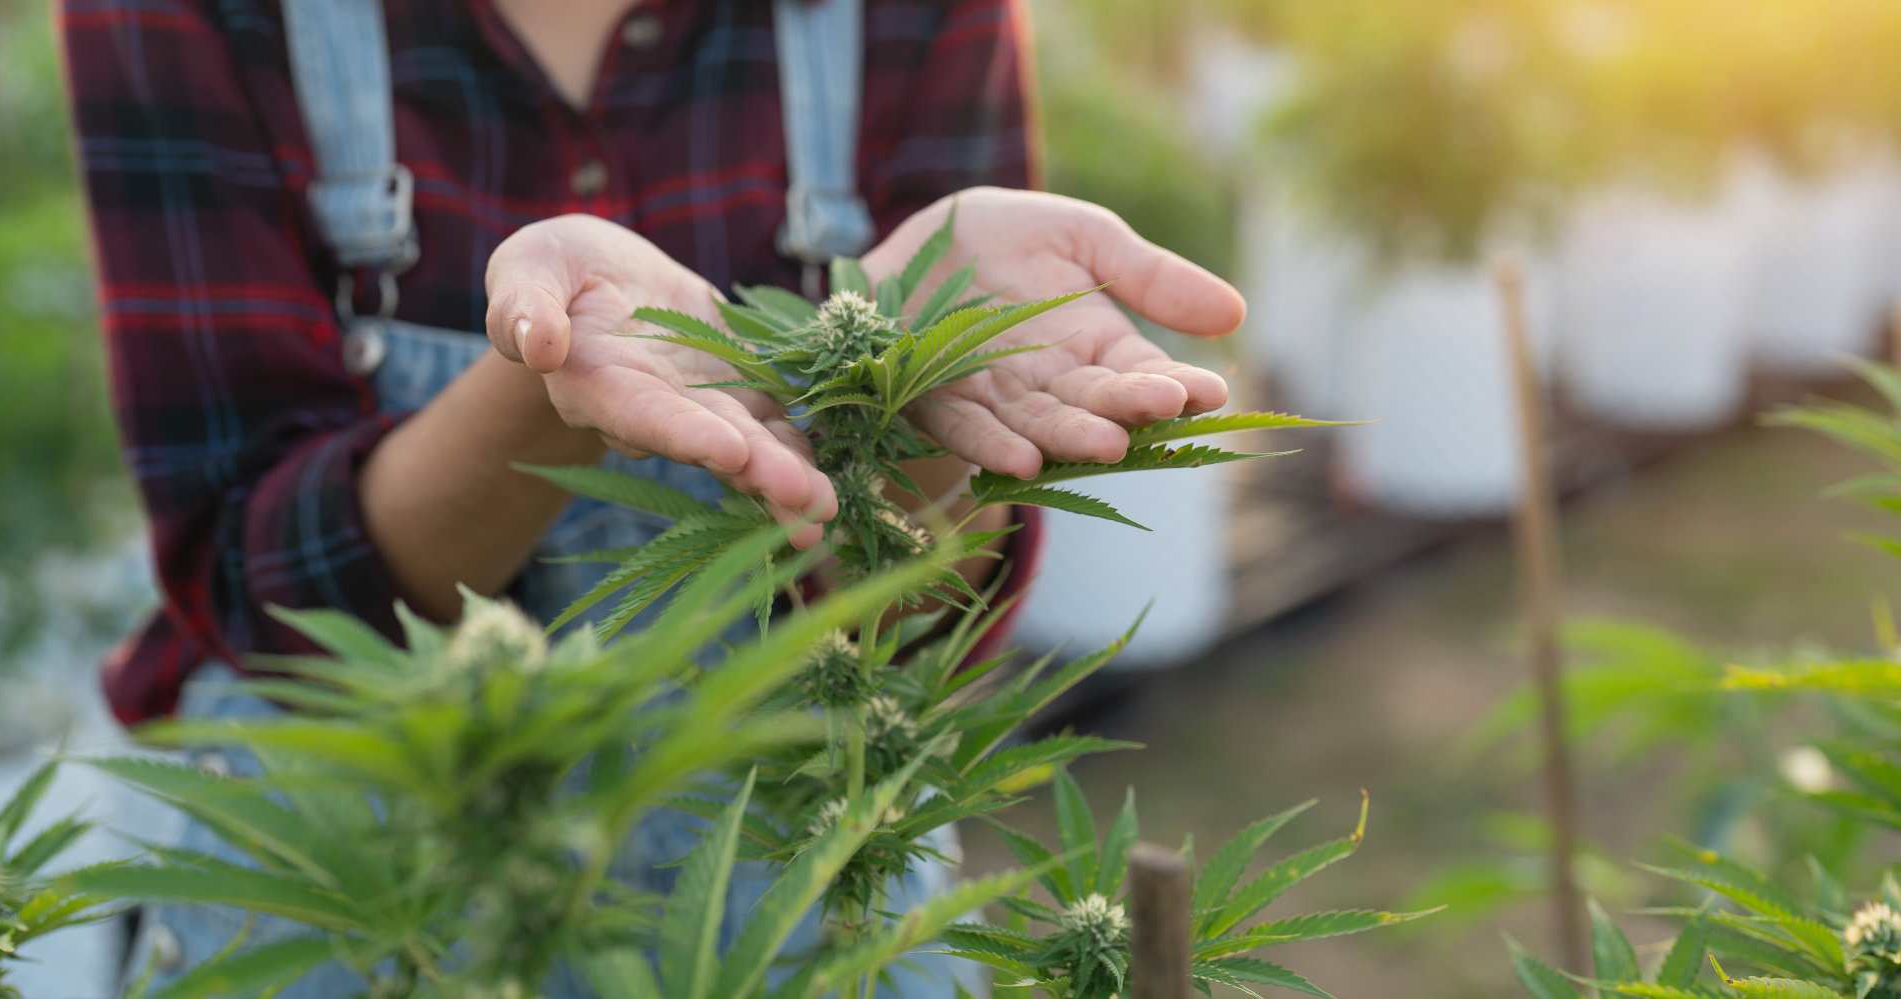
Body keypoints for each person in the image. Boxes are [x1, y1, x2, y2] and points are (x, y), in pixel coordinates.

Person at [61, 0, 1247, 993]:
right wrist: (540, 382)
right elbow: (251, 576)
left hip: (803, 896)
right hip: (365, 889)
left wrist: (908, 399)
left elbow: (906, 626)